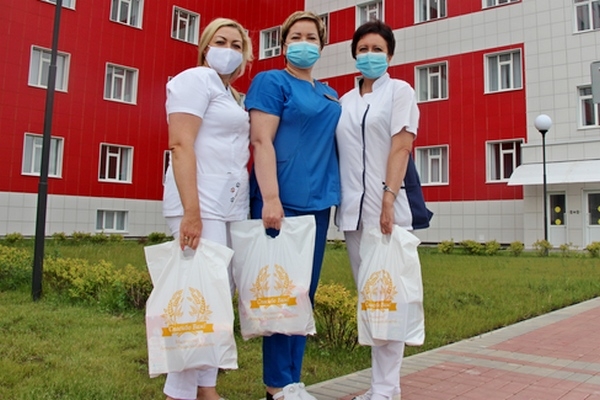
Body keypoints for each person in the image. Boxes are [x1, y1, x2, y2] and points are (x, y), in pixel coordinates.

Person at [244, 10, 341, 400]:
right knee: (280, 295)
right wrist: (270, 198)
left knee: (303, 296)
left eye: (311, 38)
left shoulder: (329, 93)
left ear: (322, 45)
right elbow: (261, 140)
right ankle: (277, 385)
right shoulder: (272, 81)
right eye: (296, 37)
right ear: (284, 45)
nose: (304, 43)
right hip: (281, 203)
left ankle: (292, 381)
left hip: (319, 204)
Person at [161, 17, 253, 400]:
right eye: (221, 41)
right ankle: (179, 391)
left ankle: (205, 387)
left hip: (228, 206)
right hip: (199, 204)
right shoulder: (195, 80)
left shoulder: (230, 94)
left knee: (216, 298)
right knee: (196, 297)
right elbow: (180, 144)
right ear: (205, 47)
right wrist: (192, 212)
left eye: (237, 45)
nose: (228, 50)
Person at [335, 21, 422, 400]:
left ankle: (386, 389)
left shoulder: (400, 91)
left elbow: (401, 146)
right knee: (371, 301)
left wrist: (388, 199)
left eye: (377, 49)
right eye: (363, 49)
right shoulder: (344, 101)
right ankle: (379, 387)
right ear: (354, 55)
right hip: (352, 215)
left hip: (387, 212)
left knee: (388, 300)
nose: (369, 55)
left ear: (390, 55)